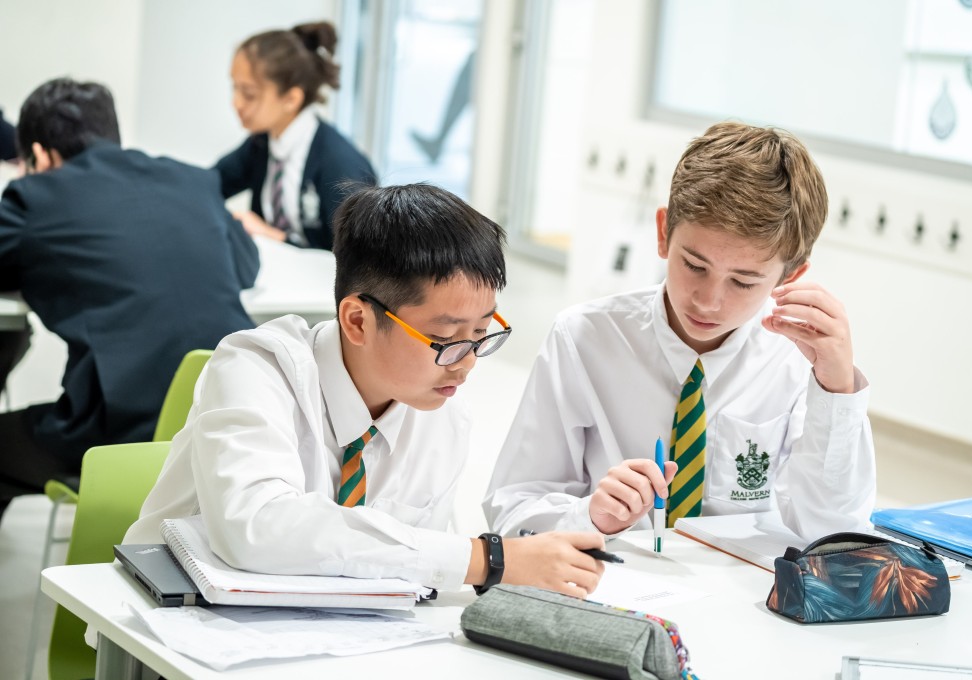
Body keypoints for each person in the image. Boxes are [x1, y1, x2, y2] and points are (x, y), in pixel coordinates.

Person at [123, 183, 606, 598]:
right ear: (357, 320)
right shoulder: (255, 368)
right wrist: (488, 560)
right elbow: (256, 527)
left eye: (481, 334)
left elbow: (419, 577)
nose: (467, 362)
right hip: (174, 627)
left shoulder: (442, 417)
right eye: (445, 339)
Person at [484, 122, 876, 541]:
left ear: (790, 276)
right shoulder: (583, 339)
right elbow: (513, 512)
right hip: (612, 569)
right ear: (663, 233)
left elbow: (834, 532)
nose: (709, 301)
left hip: (742, 578)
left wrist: (837, 391)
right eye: (694, 265)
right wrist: (589, 517)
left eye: (743, 282)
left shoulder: (798, 361)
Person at [0, 78, 259, 519]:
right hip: (227, 420)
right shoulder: (193, 181)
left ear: (40, 156)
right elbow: (244, 264)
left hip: (117, 436)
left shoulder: (36, 197)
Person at [215, 21, 377, 251]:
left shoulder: (341, 165)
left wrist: (277, 238)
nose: (236, 103)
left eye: (249, 94)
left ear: (291, 99)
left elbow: (360, 257)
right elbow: (211, 183)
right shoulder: (261, 143)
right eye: (235, 87)